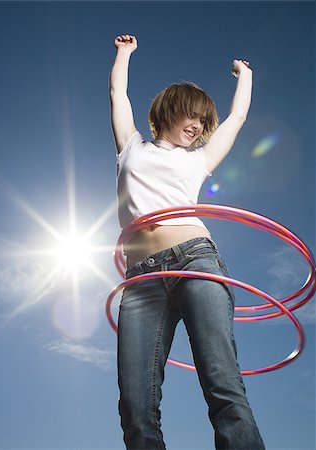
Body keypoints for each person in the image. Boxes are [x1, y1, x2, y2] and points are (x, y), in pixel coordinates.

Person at [109, 34, 265, 450]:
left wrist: (244, 76)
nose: (196, 125)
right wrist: (124, 53)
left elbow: (237, 120)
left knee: (223, 387)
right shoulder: (131, 147)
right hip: (140, 279)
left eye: (202, 120)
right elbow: (118, 94)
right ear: (168, 113)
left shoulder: (199, 161)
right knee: (135, 407)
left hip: (196, 260)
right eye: (190, 115)